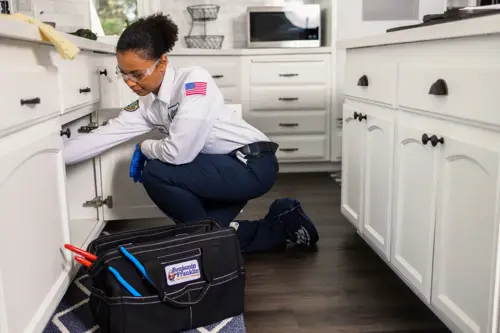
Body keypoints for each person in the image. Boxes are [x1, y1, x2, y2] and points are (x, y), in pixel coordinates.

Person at [63, 13, 319, 253]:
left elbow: (178, 154)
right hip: (221, 169)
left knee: (155, 170)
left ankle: (208, 235)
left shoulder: (194, 81)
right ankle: (283, 221)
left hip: (252, 165)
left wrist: (144, 147)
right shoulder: (146, 106)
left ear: (162, 62)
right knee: (202, 238)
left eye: (137, 74)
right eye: (124, 73)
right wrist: (51, 157)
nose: (129, 82)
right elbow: (104, 136)